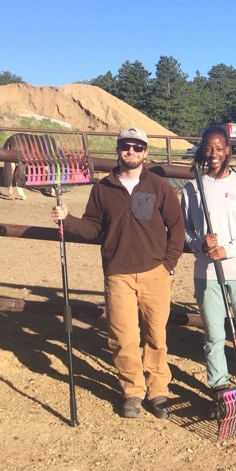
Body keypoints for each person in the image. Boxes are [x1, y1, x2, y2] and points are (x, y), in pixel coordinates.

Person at [51, 126, 185, 419]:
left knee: (156, 336)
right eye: (126, 146)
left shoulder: (159, 186)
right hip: (118, 274)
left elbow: (177, 227)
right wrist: (68, 219)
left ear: (146, 152)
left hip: (155, 272)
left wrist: (168, 264)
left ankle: (158, 390)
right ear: (118, 150)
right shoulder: (103, 189)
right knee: (123, 337)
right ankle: (132, 392)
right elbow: (93, 227)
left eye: (138, 147)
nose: (132, 152)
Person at [181, 126, 236, 393]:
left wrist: (227, 250)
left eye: (219, 148)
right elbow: (186, 230)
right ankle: (219, 387)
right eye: (208, 148)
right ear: (202, 150)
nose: (214, 154)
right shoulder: (192, 188)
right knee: (215, 335)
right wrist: (200, 244)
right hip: (207, 272)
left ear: (228, 149)